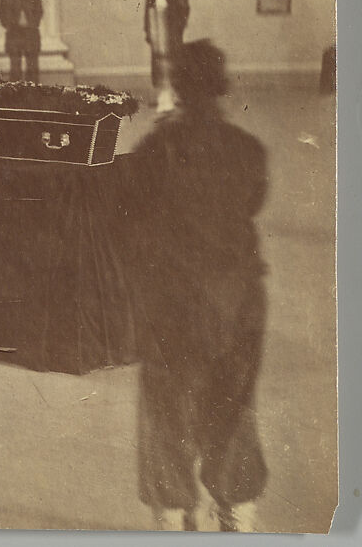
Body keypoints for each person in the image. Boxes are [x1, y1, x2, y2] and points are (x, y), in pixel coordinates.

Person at [130, 40, 269, 532]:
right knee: (232, 402)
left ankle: (173, 511)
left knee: (167, 403)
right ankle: (237, 509)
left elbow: (132, 214)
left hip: (172, 299)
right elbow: (251, 204)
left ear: (178, 87)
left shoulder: (153, 151)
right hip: (239, 300)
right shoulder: (250, 150)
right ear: (222, 87)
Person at [144, 0, 190, 113]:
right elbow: (148, 8)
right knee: (158, 60)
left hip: (172, 29)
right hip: (157, 26)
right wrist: (148, 30)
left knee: (174, 60)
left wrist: (180, 24)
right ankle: (161, 95)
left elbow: (184, 7)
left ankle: (175, 94)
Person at [0, 0, 43, 82]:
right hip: (14, 35)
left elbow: (39, 12)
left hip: (31, 34)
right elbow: (1, 14)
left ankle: (33, 96)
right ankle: (16, 97)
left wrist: (33, 24)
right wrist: (10, 26)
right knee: (15, 69)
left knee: (32, 68)